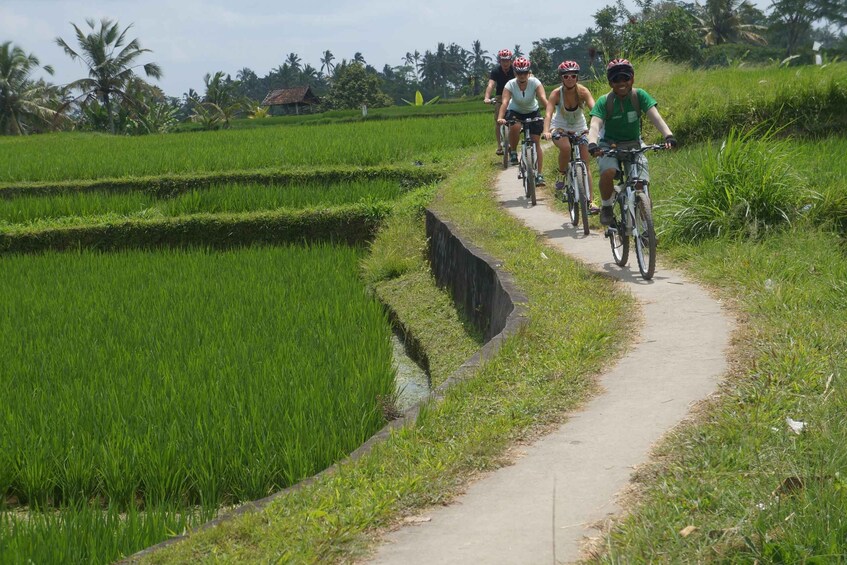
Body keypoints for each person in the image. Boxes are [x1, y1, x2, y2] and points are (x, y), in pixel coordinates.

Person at [588, 58, 677, 226]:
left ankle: (646, 230)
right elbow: (595, 125)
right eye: (616, 79)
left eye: (625, 78)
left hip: (634, 144)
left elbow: (655, 117)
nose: (622, 83)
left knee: (641, 185)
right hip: (609, 145)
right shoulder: (604, 101)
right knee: (608, 171)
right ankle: (606, 206)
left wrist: (668, 136)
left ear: (632, 78)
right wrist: (593, 144)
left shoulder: (639, 95)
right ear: (610, 82)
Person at [542, 60, 599, 213]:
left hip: (581, 128)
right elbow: (548, 114)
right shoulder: (556, 93)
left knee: (586, 165)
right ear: (561, 78)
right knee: (566, 148)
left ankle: (591, 201)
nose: (570, 79)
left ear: (577, 77)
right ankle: (561, 174)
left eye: (573, 75)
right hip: (560, 127)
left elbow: (595, 110)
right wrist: (546, 130)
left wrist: (599, 127)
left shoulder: (583, 92)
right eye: (566, 76)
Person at [497, 56, 549, 187]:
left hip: (533, 111)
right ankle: (513, 151)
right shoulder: (510, 85)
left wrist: (551, 114)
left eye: (525, 72)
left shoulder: (535, 82)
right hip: (515, 111)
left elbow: (543, 99)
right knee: (514, 126)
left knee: (536, 142)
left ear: (528, 72)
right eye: (519, 73)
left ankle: (539, 174)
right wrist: (500, 117)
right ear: (515, 73)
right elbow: (505, 102)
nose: (522, 75)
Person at [483, 49, 515, 155]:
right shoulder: (496, 71)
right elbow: (491, 85)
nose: (505, 63)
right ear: (499, 61)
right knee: (498, 121)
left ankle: (513, 142)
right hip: (500, 97)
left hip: (513, 96)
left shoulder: (515, 70)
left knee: (516, 120)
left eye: (507, 60)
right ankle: (499, 146)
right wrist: (487, 97)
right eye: (503, 60)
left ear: (511, 61)